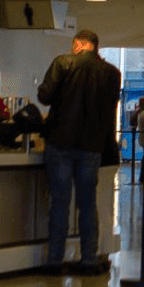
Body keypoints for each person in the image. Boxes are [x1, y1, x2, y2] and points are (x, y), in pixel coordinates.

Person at [37, 30, 123, 274]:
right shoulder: (112, 73)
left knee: (60, 203)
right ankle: (88, 259)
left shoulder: (63, 63)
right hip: (92, 145)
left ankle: (55, 261)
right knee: (87, 204)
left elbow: (45, 96)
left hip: (60, 141)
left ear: (78, 44)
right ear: (95, 46)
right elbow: (110, 106)